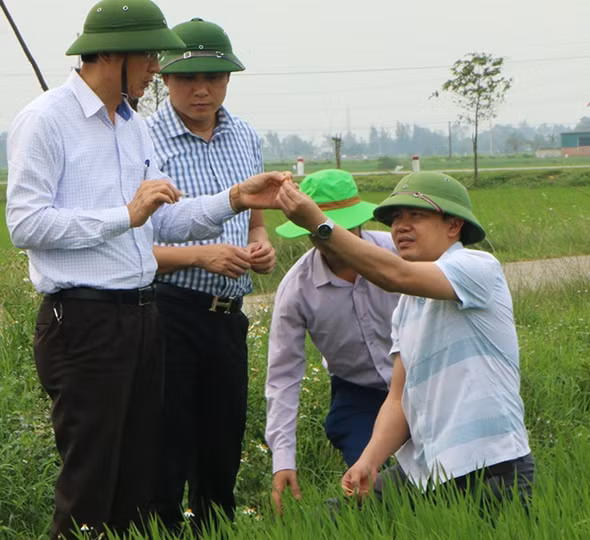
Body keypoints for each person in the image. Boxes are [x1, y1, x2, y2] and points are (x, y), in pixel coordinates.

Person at [4, 2, 287, 538]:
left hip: (143, 318)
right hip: (84, 322)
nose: (157, 68)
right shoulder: (46, 120)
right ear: (112, 55)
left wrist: (233, 198)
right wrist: (124, 215)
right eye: (150, 56)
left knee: (138, 487)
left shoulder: (130, 127)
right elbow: (26, 224)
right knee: (91, 485)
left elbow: (166, 221)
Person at [276, 171, 535, 513]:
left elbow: (393, 273)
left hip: (491, 466)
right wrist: (369, 461)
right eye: (396, 217)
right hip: (428, 469)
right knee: (336, 516)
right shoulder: (406, 306)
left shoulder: (477, 267)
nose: (401, 226)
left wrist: (320, 224)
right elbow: (399, 397)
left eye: (417, 215)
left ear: (453, 226)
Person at [144, 17, 276, 532]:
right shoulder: (144, 138)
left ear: (228, 80)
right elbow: (130, 245)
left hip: (227, 317)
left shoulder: (244, 135)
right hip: (167, 309)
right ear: (165, 80)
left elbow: (257, 221)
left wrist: (260, 246)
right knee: (167, 445)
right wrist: (201, 256)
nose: (202, 90)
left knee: (222, 446)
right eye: (187, 78)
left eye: (214, 78)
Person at [265, 169, 401, 515]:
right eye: (323, 231)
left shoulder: (398, 256)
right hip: (358, 393)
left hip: (420, 382)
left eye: (345, 227)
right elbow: (283, 376)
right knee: (372, 488)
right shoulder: (297, 289)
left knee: (448, 476)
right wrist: (283, 459)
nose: (335, 239)